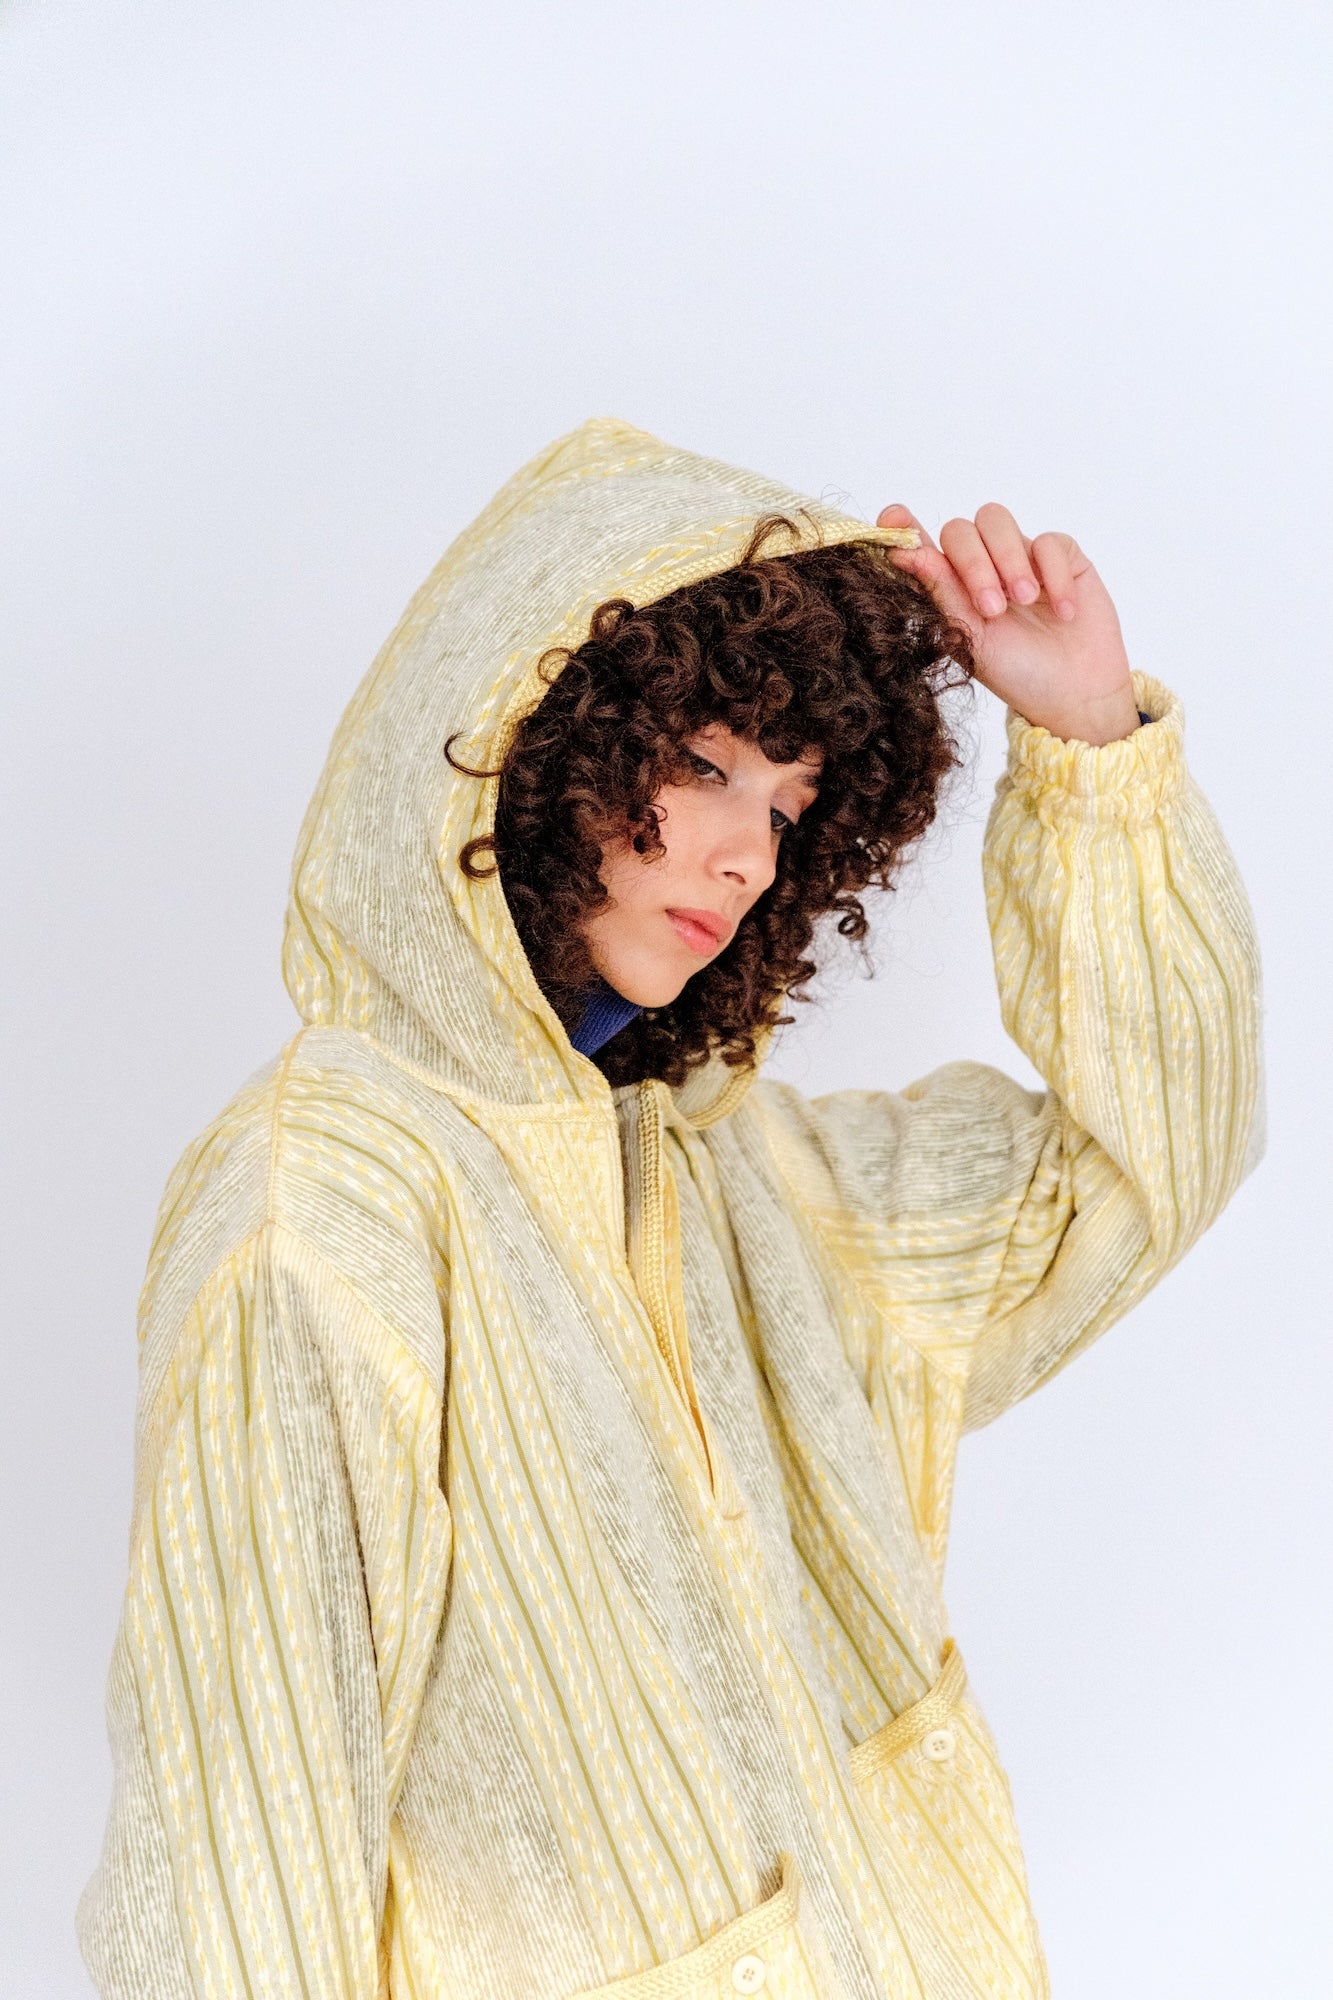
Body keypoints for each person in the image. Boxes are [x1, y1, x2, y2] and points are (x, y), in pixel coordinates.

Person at [78, 418, 1262, 2000]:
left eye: (784, 807)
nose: (741, 856)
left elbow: (1132, 1174)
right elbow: (242, 1841)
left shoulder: (721, 1169)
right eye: (701, 768)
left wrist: (1091, 754)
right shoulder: (323, 1204)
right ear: (531, 740)